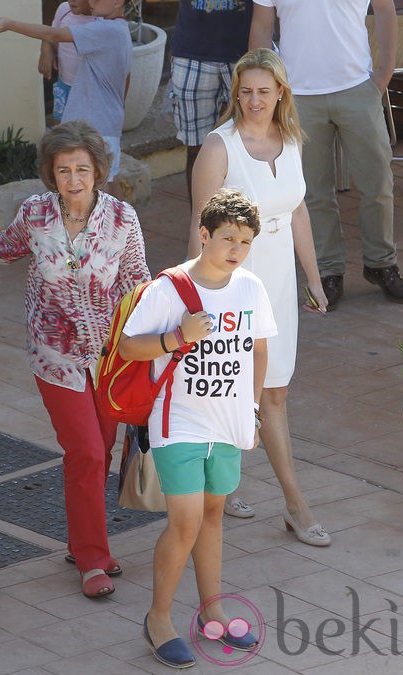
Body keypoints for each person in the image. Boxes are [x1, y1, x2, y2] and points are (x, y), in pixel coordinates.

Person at [0, 121, 150, 598]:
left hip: (111, 359)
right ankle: (93, 559)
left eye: (82, 169)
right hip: (55, 357)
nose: (73, 179)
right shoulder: (36, 214)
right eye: (63, 170)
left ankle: (82, 542)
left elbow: (138, 282)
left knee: (103, 453)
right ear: (49, 174)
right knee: (88, 452)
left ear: (98, 170)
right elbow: (5, 247)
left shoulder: (121, 218)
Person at [120, 189, 275, 669]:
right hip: (177, 422)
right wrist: (176, 337)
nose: (236, 249)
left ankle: (214, 610)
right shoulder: (168, 289)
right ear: (203, 235)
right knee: (184, 522)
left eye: (245, 241)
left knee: (213, 515)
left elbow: (259, 350)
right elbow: (128, 349)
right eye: (227, 237)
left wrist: (251, 409)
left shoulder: (250, 287)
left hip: (228, 425)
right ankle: (158, 618)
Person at [188, 48, 332, 546]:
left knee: (273, 388)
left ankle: (224, 487)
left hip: (279, 283)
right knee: (241, 389)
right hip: (231, 282)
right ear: (236, 94)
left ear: (280, 94)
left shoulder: (291, 140)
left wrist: (313, 278)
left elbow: (298, 212)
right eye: (245, 91)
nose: (253, 100)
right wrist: (196, 295)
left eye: (263, 92)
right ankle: (295, 503)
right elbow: (199, 225)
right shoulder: (218, 147)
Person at [249, 0, 403, 311]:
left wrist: (384, 72)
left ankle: (381, 263)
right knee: (313, 193)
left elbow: (385, 9)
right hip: (298, 96)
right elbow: (261, 27)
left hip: (358, 88)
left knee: (377, 183)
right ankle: (327, 271)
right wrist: (266, 91)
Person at [0, 0, 132, 198]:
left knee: (95, 193)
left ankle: (102, 228)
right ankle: (117, 227)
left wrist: (10, 24)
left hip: (97, 127)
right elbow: (127, 78)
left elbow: (53, 34)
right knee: (106, 183)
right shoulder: (119, 29)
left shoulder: (106, 30)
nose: (90, 0)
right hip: (107, 124)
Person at [170, 0, 253, 199]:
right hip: (192, 52)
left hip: (247, 51)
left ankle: (252, 223)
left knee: (252, 145)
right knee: (196, 148)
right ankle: (200, 226)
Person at [38, 1, 95, 123]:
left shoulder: (102, 21)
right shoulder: (64, 9)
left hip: (90, 91)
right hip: (64, 84)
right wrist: (46, 50)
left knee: (87, 135)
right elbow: (51, 34)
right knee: (61, 130)